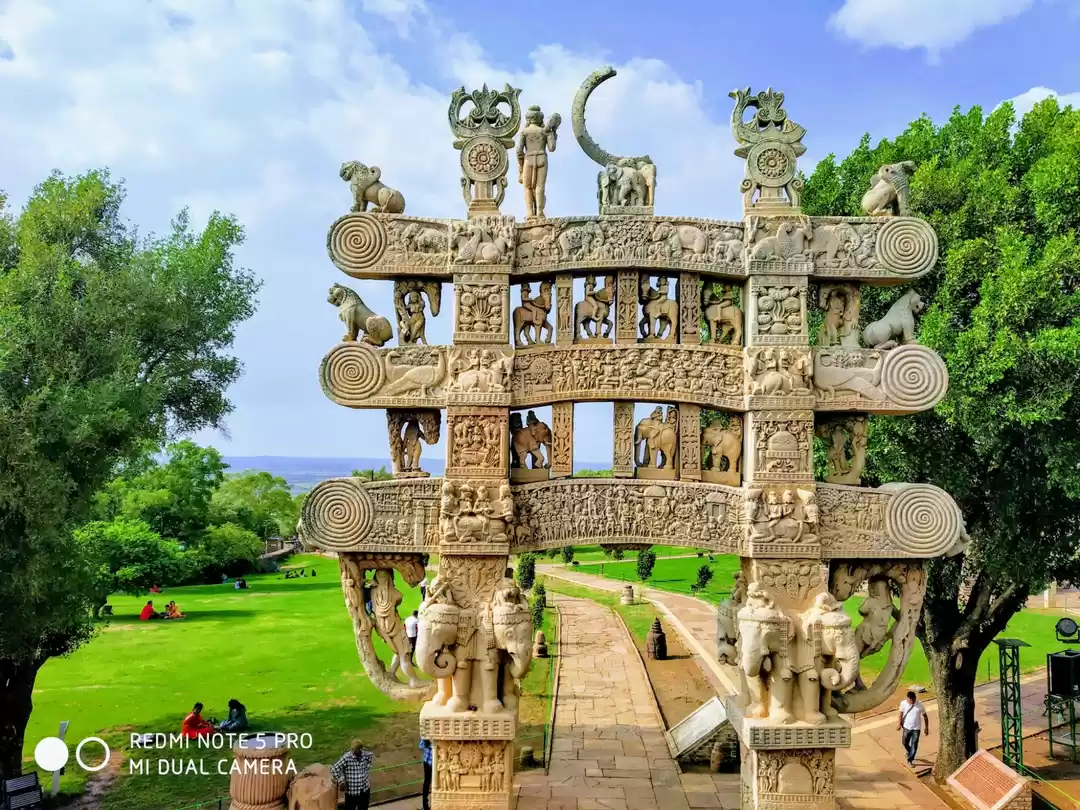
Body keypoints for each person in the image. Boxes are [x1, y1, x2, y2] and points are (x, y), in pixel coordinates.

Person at [330, 739, 374, 810]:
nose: (355, 751)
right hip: (351, 792)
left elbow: (370, 756)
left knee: (363, 808)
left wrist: (366, 769)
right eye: (354, 749)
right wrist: (341, 781)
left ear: (360, 749)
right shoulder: (346, 758)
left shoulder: (365, 755)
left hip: (364, 790)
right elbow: (334, 769)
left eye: (357, 749)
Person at [897, 690, 930, 767]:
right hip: (906, 727)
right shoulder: (903, 703)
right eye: (910, 700)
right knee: (904, 742)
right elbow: (900, 715)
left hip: (916, 729)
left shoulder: (920, 705)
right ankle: (910, 752)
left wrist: (926, 728)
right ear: (907, 698)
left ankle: (910, 759)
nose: (912, 701)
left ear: (915, 698)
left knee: (914, 745)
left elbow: (925, 717)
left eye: (913, 700)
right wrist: (898, 724)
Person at [418, 737, 432, 810]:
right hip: (428, 762)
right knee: (427, 783)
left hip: (432, 763)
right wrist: (429, 744)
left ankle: (430, 804)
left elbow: (421, 746)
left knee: (430, 783)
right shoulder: (426, 735)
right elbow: (421, 745)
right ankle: (425, 805)